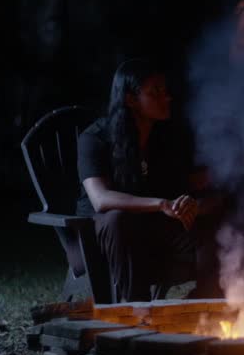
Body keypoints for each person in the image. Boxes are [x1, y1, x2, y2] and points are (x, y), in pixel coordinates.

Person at [77, 58, 222, 302]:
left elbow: (191, 183)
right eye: (155, 92)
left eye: (165, 91)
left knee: (213, 220)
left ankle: (204, 306)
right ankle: (139, 312)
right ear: (131, 99)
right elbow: (101, 199)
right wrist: (161, 204)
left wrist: (189, 205)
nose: (167, 98)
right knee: (117, 219)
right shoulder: (95, 138)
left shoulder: (164, 138)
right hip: (104, 233)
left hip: (154, 227)